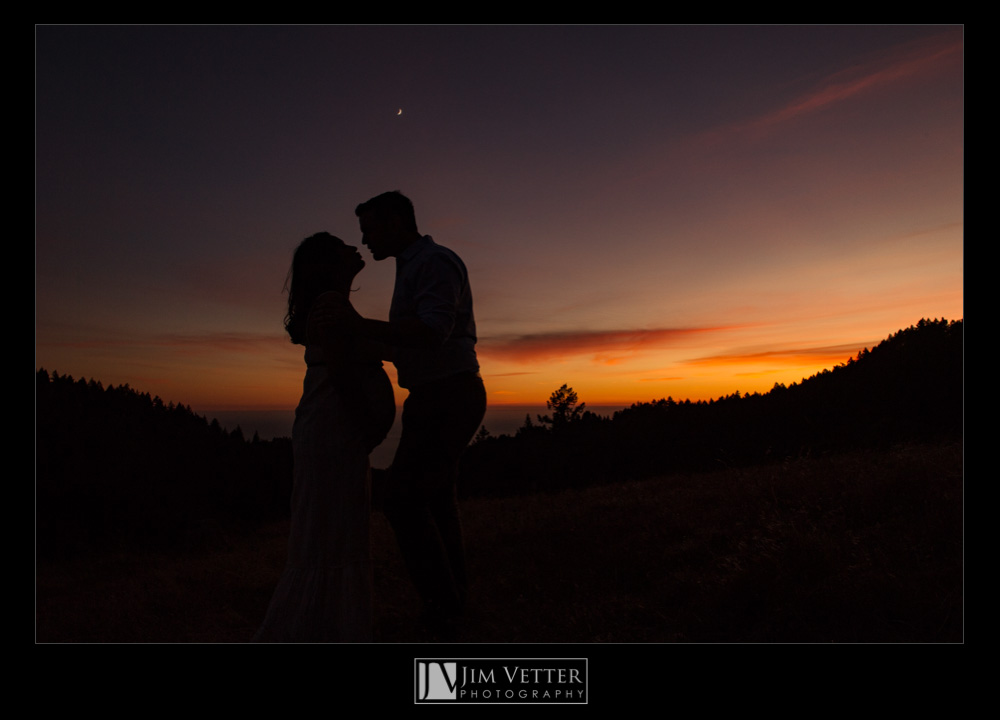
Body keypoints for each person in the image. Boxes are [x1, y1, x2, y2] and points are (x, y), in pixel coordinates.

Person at [329, 191, 486, 638]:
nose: (365, 240)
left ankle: (443, 609)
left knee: (402, 499)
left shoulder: (433, 262)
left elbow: (433, 332)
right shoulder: (413, 266)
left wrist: (357, 328)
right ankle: (453, 603)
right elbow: (407, 343)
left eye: (371, 229)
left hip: (450, 395)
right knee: (435, 501)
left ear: (397, 221)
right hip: (435, 395)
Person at [254, 232, 395, 642]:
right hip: (334, 429)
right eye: (343, 245)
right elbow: (342, 373)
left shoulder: (334, 305)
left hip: (329, 429)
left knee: (330, 527)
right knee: (333, 530)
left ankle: (325, 625)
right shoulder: (331, 305)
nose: (354, 248)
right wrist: (368, 423)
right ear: (330, 263)